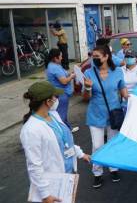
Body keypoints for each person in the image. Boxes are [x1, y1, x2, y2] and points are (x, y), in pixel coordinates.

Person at [20, 81, 90, 203]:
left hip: (66, 177)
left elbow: (65, 142)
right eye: (55, 97)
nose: (57, 99)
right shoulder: (31, 130)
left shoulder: (53, 115)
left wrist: (80, 154)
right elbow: (34, 165)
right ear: (48, 102)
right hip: (51, 185)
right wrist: (45, 195)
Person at [83, 44, 128, 188]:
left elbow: (124, 93)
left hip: (114, 114)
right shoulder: (89, 73)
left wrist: (136, 101)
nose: (93, 59)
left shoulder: (118, 72)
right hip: (95, 114)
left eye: (97, 57)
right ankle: (97, 173)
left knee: (112, 144)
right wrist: (88, 88)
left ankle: (113, 169)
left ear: (106, 57)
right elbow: (85, 98)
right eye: (92, 56)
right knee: (97, 146)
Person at [45, 48, 78, 132]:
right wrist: (71, 77)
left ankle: (68, 128)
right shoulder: (54, 68)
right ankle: (61, 133)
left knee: (62, 113)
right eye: (60, 56)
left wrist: (70, 73)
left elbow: (64, 73)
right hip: (61, 94)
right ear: (55, 58)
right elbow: (64, 81)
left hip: (60, 93)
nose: (62, 58)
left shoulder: (55, 65)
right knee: (61, 115)